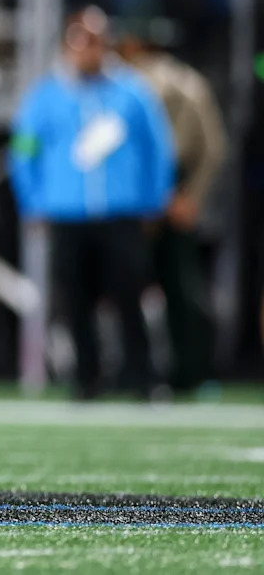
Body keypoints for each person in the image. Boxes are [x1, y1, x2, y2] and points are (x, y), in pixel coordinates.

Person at [9, 7, 175, 399]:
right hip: (68, 212)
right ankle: (86, 378)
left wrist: (155, 198)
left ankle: (141, 377)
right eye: (80, 42)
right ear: (68, 46)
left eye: (96, 42)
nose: (88, 51)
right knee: (76, 299)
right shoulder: (45, 97)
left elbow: (158, 149)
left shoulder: (132, 91)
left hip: (122, 210)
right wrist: (32, 201)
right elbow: (23, 150)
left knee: (130, 295)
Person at [117, 27, 227, 393]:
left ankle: (145, 373)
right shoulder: (189, 81)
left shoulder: (127, 84)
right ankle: (183, 373)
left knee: (148, 287)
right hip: (160, 190)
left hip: (147, 191)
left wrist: (178, 195)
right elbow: (213, 148)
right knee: (176, 288)